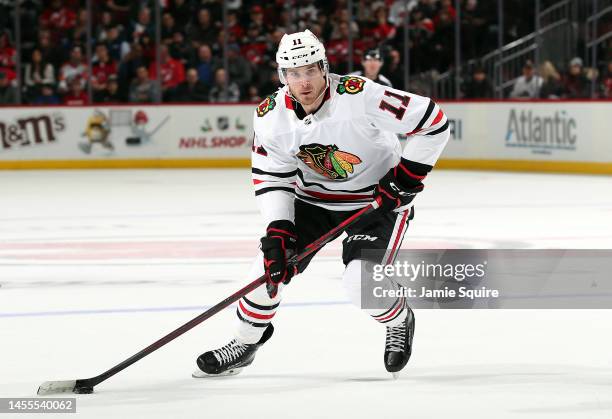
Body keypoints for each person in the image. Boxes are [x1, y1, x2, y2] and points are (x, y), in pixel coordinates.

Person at [193, 29, 449, 378]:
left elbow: (433, 122)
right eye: (294, 74)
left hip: (377, 201)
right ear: (282, 76)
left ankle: (399, 316)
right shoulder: (269, 117)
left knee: (361, 282)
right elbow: (272, 176)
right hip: (313, 202)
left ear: (325, 67)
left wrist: (404, 181)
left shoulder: (359, 95)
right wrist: (279, 227)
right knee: (267, 268)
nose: (304, 82)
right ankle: (245, 342)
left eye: (311, 70)